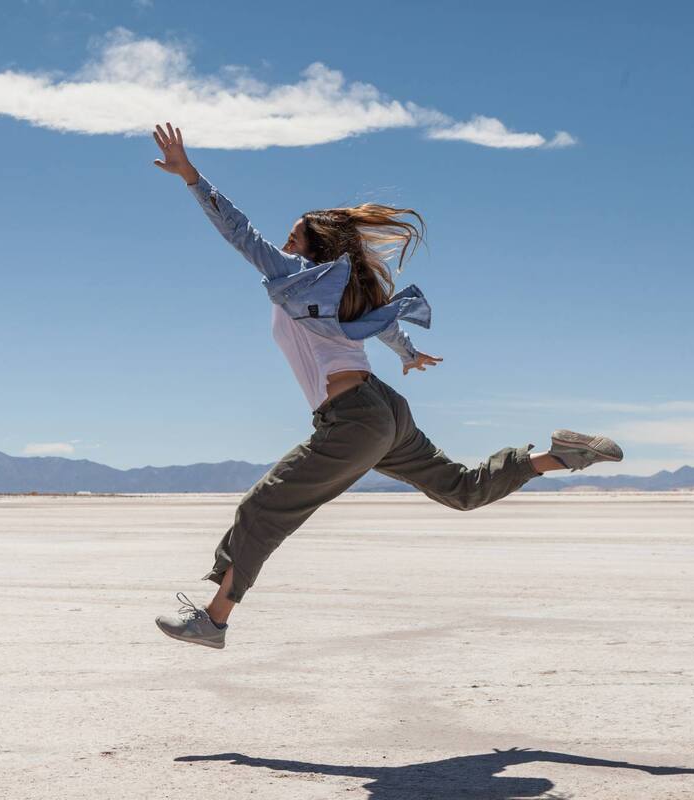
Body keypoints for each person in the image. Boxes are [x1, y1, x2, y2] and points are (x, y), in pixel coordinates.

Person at [149, 123, 622, 649]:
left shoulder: (296, 277)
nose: (284, 243)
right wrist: (409, 355)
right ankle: (559, 457)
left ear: (314, 245)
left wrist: (191, 176)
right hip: (385, 413)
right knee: (460, 489)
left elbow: (239, 231)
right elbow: (386, 323)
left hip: (354, 417)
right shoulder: (347, 289)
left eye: (294, 235)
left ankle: (213, 622)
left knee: (264, 509)